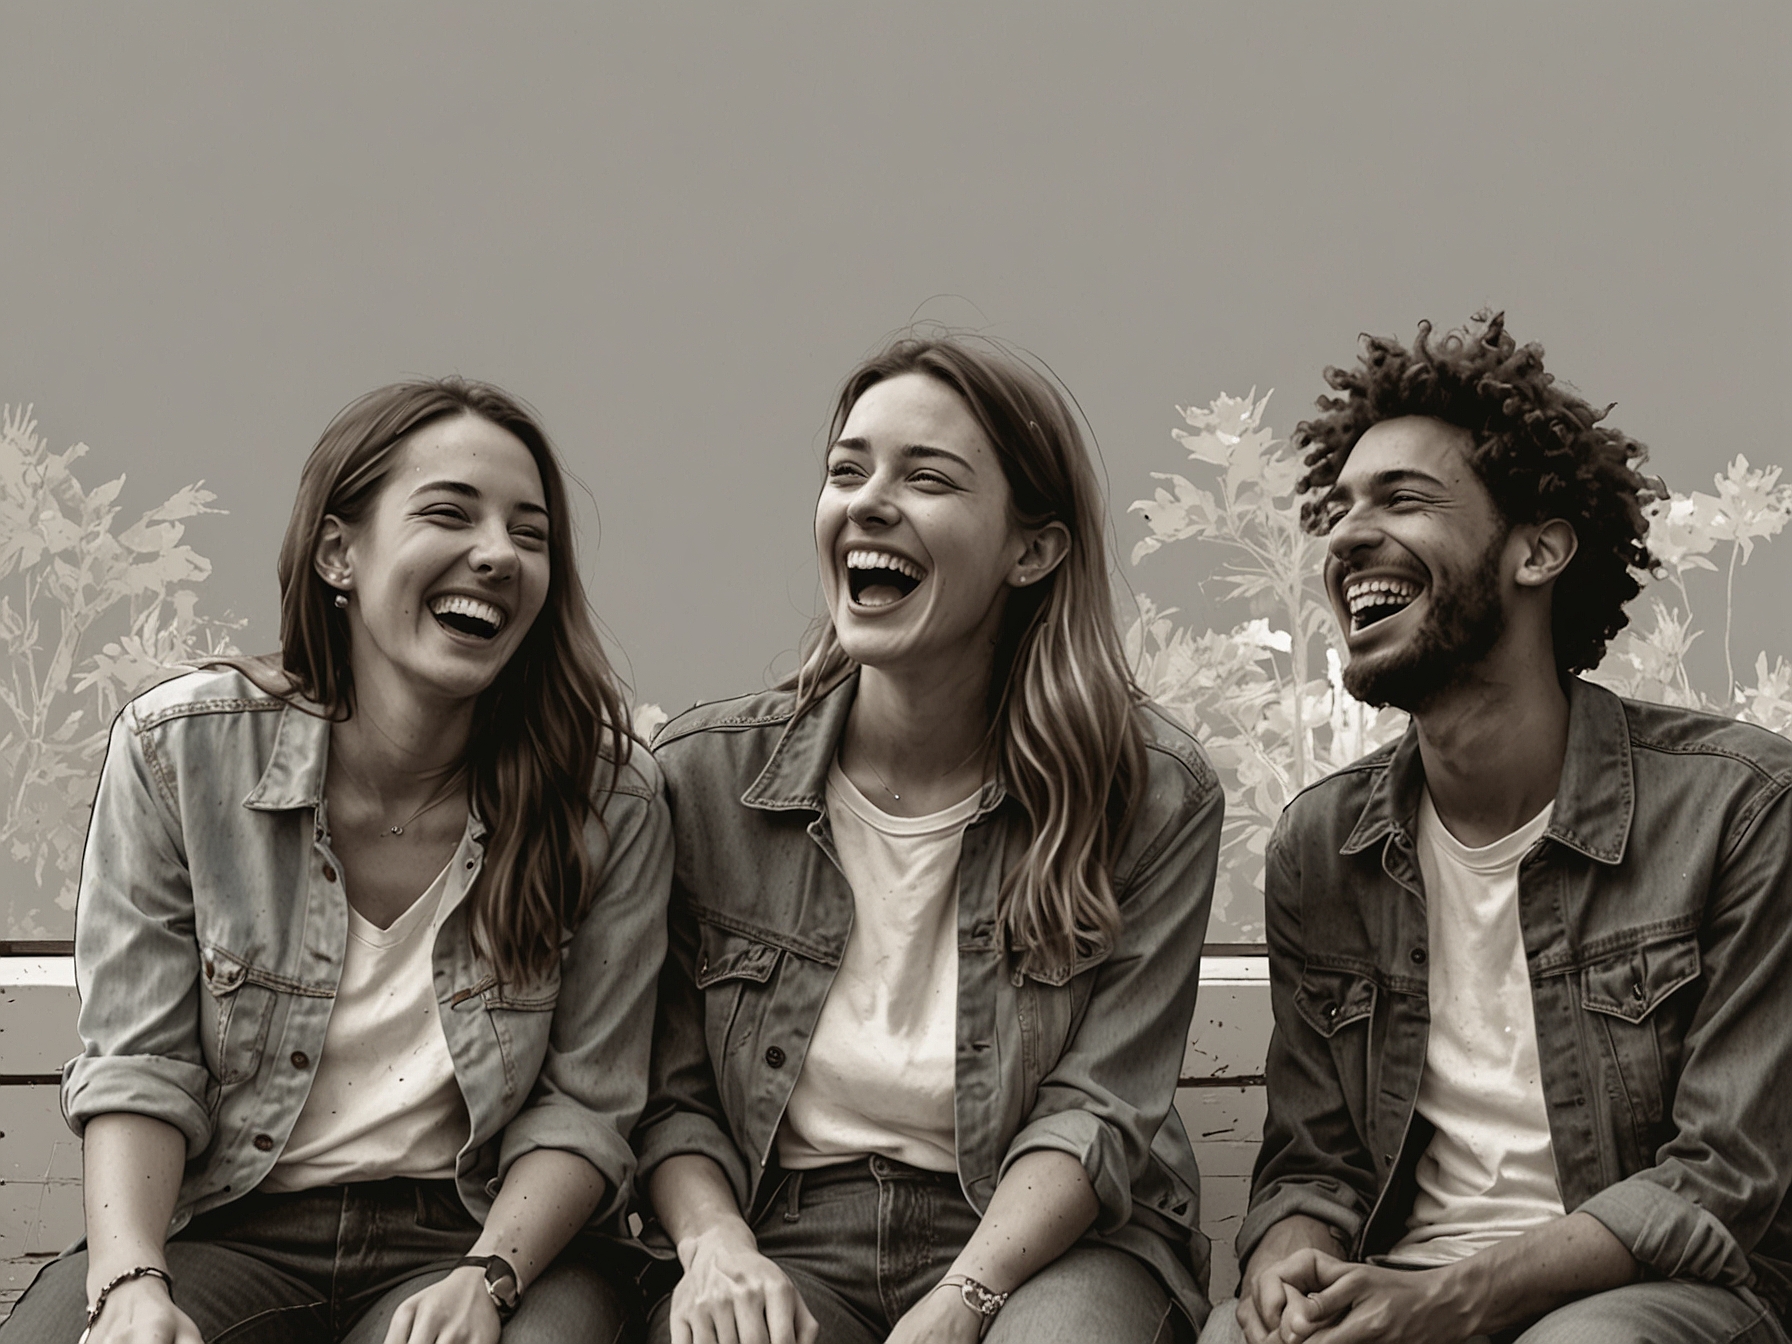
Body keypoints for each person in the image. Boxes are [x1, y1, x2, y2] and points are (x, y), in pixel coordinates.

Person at [1, 379, 672, 1344]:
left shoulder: (607, 800)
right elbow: (140, 1066)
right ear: (338, 554)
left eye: (530, 534)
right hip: (233, 1226)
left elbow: (586, 1109)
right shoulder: (180, 754)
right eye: (449, 512)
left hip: (484, 1230)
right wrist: (130, 1281)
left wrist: (489, 1278)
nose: (497, 554)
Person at [1201, 312, 1792, 1344]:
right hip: (1395, 1291)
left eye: (1403, 498)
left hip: (1651, 1299)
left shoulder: (1738, 807)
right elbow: (1314, 1159)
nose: (1345, 536)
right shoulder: (1319, 848)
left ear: (1539, 549)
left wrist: (1450, 1303)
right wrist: (1285, 1260)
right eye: (1336, 507)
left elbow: (1721, 1179)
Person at [634, 336, 1223, 1344]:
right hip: (786, 1226)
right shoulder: (704, 779)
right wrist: (715, 1247)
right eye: (845, 470)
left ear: (1030, 551)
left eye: (927, 478)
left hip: (1055, 1240)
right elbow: (670, 1093)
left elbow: (1098, 1109)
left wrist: (966, 1299)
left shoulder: (1149, 794)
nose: (867, 501)